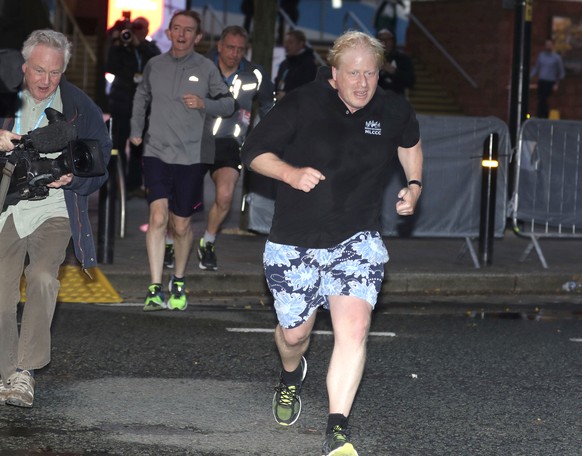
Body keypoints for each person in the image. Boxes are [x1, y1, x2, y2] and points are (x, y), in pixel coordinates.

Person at [240, 30, 423, 455]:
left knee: (354, 329)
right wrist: (290, 174)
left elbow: (410, 143)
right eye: (354, 73)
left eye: (371, 74)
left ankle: (337, 429)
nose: (363, 83)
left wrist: (413, 186)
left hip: (356, 238)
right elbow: (254, 151)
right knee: (293, 334)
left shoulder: (392, 109)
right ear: (334, 74)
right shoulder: (303, 102)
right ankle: (291, 375)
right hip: (295, 241)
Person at [0, 29, 111, 408]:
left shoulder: (80, 107)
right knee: (0, 292)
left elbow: (101, 162)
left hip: (55, 207)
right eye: (38, 71)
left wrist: (75, 177)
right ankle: (5, 372)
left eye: (55, 73)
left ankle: (24, 373)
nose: (46, 81)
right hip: (8, 207)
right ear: (24, 66)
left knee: (45, 277)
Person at [130, 10, 235, 312]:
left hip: (191, 155)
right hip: (156, 152)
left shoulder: (206, 68)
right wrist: (136, 130)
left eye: (188, 30)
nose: (181, 34)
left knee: (181, 224)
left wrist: (205, 103)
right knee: (158, 218)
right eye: (176, 28)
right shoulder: (154, 65)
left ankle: (177, 279)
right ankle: (153, 287)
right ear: (168, 32)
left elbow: (229, 104)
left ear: (198, 37)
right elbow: (141, 96)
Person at [197, 25, 274, 271]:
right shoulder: (199, 65)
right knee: (182, 199)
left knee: (225, 196)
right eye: (230, 47)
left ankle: (207, 242)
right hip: (195, 139)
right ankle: (168, 242)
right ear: (219, 46)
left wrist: (270, 138)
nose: (234, 53)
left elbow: (268, 107)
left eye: (240, 49)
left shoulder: (255, 74)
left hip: (230, 141)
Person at [105, 16, 161, 196]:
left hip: (142, 107)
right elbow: (110, 66)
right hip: (121, 104)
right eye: (135, 27)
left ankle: (134, 185)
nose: (137, 30)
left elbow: (157, 63)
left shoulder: (149, 48)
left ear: (147, 30)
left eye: (141, 27)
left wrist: (139, 45)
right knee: (117, 146)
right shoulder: (121, 47)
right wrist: (117, 43)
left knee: (138, 147)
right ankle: (115, 184)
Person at [274, 29, 317, 101]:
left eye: (290, 43)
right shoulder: (284, 64)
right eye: (285, 42)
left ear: (301, 44)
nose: (286, 46)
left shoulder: (309, 65)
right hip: (281, 107)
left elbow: (308, 90)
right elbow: (277, 82)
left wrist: (287, 95)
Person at [530, 39, 565, 118]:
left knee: (543, 98)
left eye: (550, 44)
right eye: (547, 44)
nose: (548, 46)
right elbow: (536, 68)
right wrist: (529, 77)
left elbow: (561, 72)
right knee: (540, 99)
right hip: (541, 81)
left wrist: (557, 84)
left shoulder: (557, 58)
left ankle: (541, 115)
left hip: (550, 82)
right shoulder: (541, 56)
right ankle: (543, 115)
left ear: (552, 45)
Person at [376, 28, 415, 96]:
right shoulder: (371, 59)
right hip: (375, 100)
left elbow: (411, 81)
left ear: (393, 41)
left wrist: (394, 72)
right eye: (381, 40)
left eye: (388, 40)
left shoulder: (403, 59)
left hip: (396, 100)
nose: (385, 43)